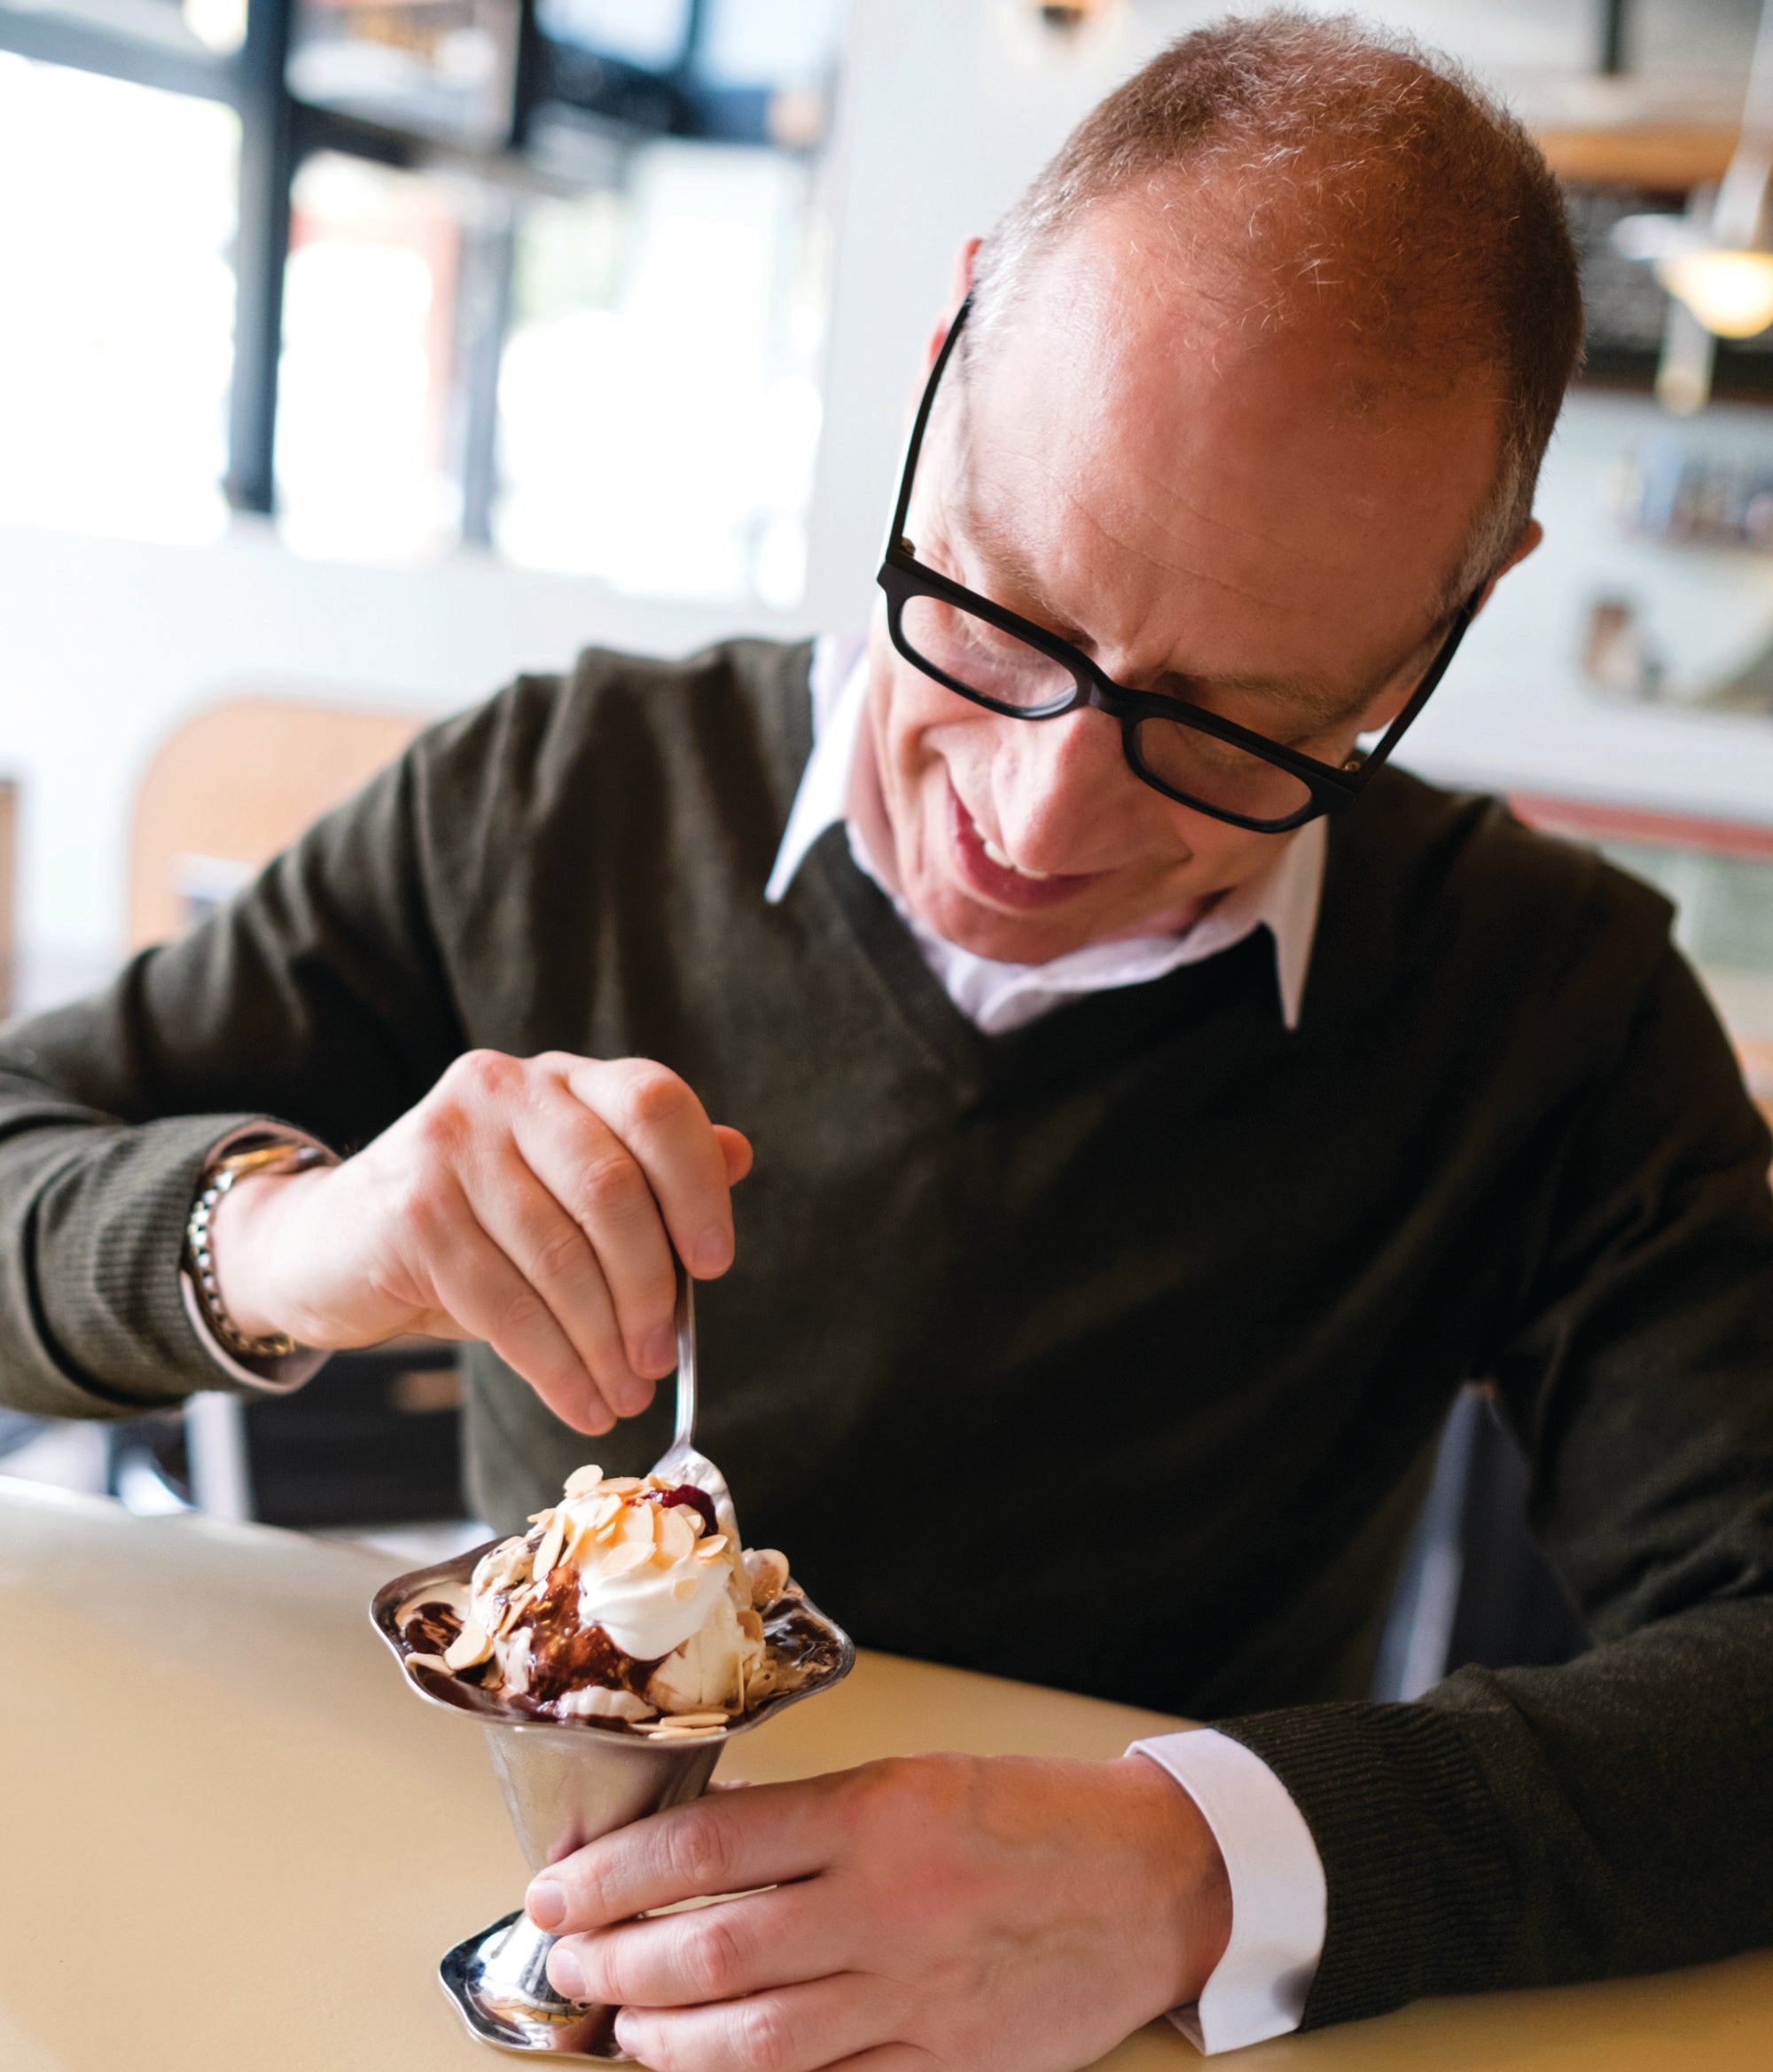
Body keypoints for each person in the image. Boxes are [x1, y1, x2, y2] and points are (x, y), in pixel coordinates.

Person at [4, 14, 1771, 2069]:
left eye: (1238, 730)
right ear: (947, 353)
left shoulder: (1547, 1007)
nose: (1032, 821)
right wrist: (292, 1235)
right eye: (997, 608)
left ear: (1460, 604)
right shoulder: (556, 793)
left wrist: (1209, 1865)